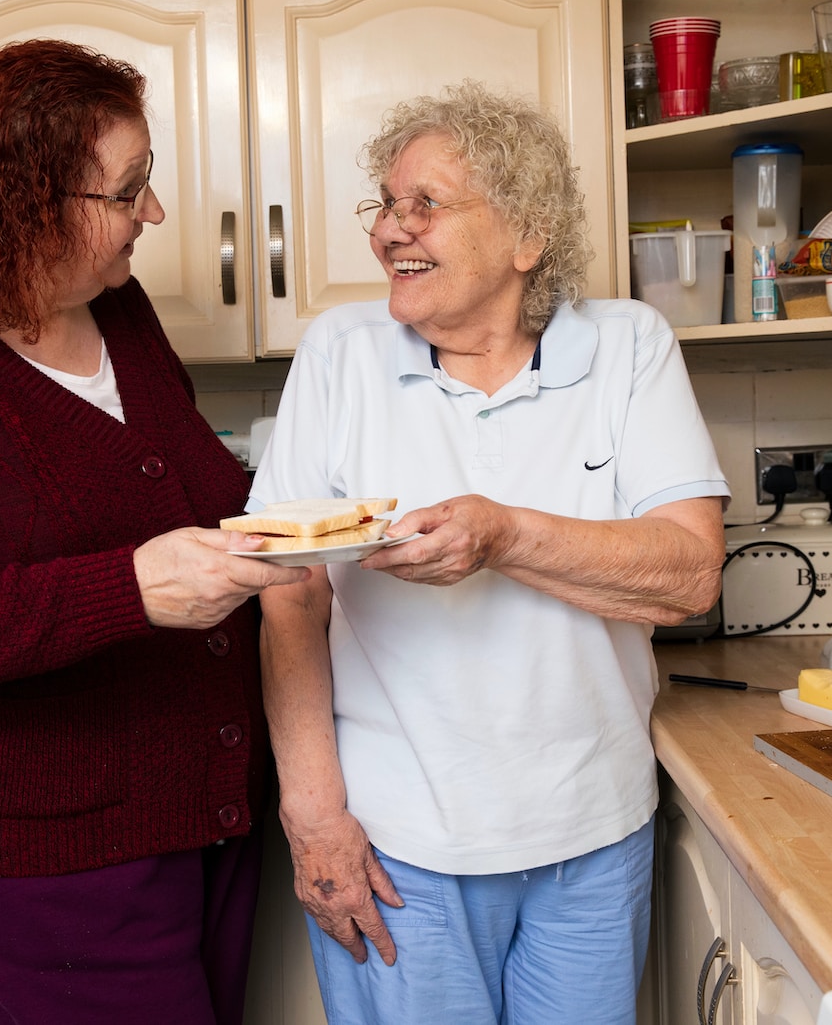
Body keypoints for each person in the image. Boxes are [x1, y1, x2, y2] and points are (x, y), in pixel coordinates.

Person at [0, 39, 308, 1025]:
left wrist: (317, 522)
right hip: (46, 855)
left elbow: (181, 491)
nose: (151, 215)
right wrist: (130, 589)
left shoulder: (116, 310)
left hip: (201, 815)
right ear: (29, 201)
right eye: (129, 190)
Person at [250, 81, 729, 1024]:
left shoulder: (628, 348)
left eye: (425, 204)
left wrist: (503, 534)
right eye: (385, 206)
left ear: (526, 236)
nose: (392, 230)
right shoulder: (341, 354)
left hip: (593, 832)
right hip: (395, 844)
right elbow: (292, 590)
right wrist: (313, 819)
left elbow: (690, 574)